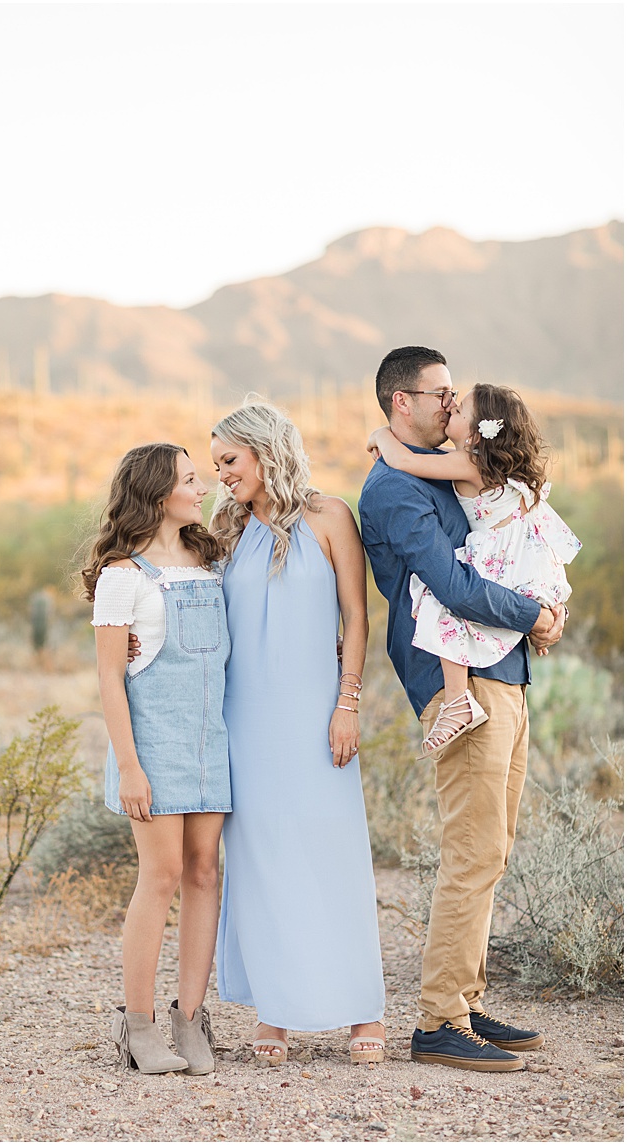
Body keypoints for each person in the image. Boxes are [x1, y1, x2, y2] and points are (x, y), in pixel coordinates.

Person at [360, 346, 564, 1072]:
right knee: (471, 850)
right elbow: (453, 585)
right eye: (440, 392)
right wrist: (535, 612)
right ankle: (436, 1019)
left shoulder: (450, 472)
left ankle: (463, 1000)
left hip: (501, 673)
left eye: (455, 393)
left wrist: (540, 610)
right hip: (462, 685)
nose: (453, 403)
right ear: (400, 402)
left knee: (494, 848)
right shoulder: (393, 491)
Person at [207, 399, 387, 1066]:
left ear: (264, 450)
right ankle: (275, 1010)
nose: (221, 473)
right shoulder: (224, 530)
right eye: (217, 462)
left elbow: (357, 618)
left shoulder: (331, 516)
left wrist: (348, 702)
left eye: (230, 459)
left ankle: (361, 1007)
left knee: (332, 849)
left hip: (318, 712)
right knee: (259, 860)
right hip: (244, 721)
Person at [81, 442, 230, 1076]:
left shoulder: (208, 559)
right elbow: (111, 681)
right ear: (157, 493)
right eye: (192, 481)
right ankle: (137, 1027)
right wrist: (130, 767)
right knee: (162, 874)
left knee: (205, 874)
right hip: (152, 748)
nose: (203, 490)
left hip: (211, 743)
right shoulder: (123, 577)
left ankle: (189, 1021)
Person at [368, 383, 579, 757]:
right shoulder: (487, 463)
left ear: (477, 430)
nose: (451, 407)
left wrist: (382, 435)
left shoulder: (466, 461)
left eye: (460, 407)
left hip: (496, 556)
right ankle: (460, 698)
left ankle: (457, 700)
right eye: (443, 396)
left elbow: (404, 462)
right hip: (525, 560)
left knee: (438, 595)